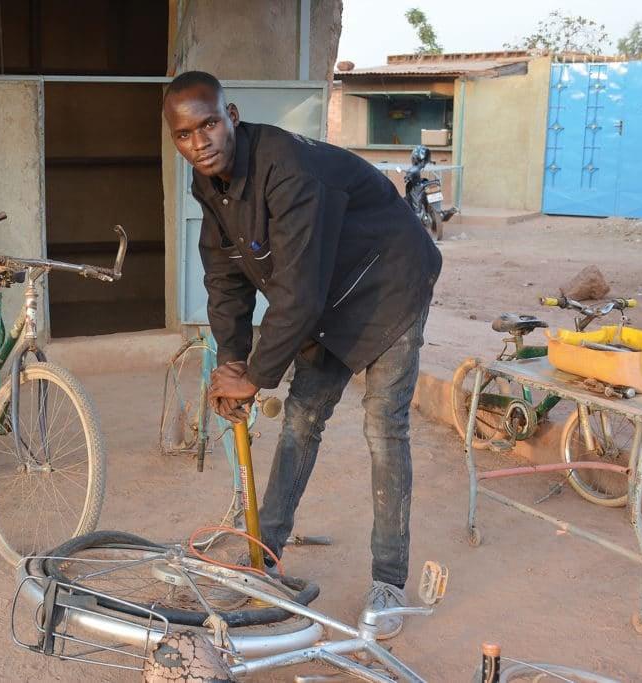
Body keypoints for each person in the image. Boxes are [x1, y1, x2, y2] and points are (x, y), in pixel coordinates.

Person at [163, 71, 442, 639]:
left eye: (210, 123)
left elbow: (298, 292)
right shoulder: (207, 184)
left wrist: (257, 377)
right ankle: (264, 559)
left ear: (232, 115)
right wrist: (233, 361)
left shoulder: (287, 169)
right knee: (302, 420)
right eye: (185, 135)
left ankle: (389, 582)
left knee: (384, 431)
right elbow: (226, 281)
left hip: (388, 281)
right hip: (326, 294)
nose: (201, 142)